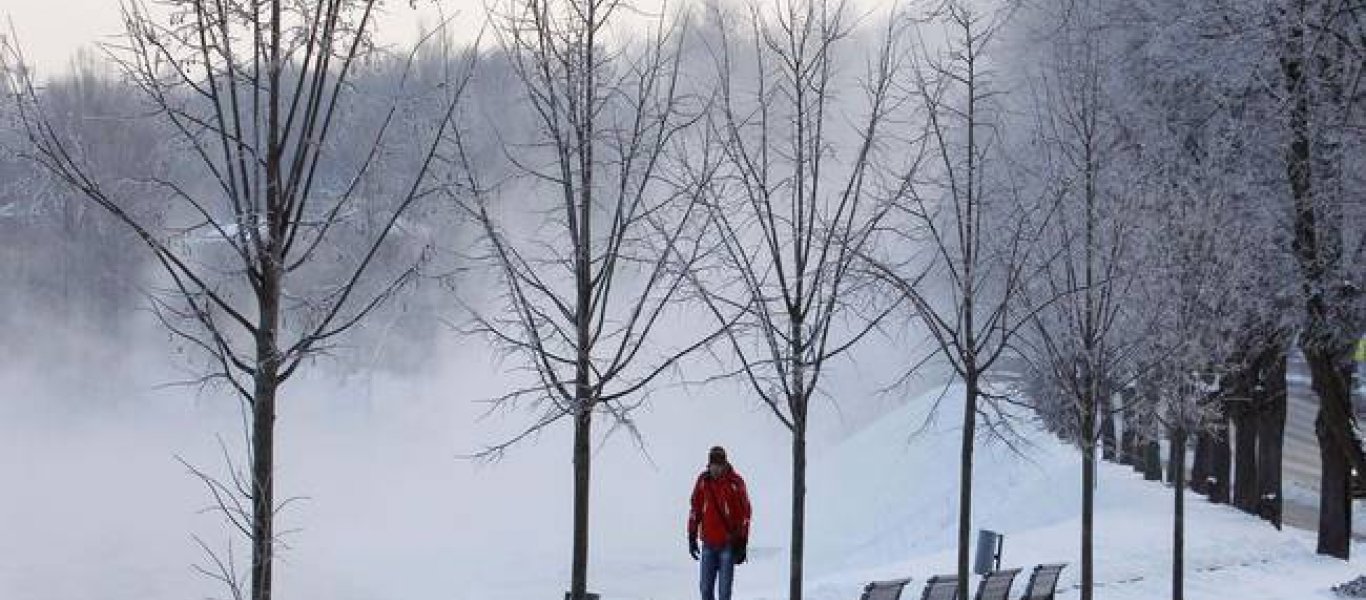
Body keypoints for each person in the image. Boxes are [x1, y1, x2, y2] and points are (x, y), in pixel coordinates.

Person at [687, 446, 751, 600]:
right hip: (708, 543)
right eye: (713, 464)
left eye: (719, 465)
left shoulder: (735, 483)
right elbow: (695, 508)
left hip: (727, 545)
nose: (715, 468)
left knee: (724, 593)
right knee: (705, 590)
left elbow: (745, 513)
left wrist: (742, 541)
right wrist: (692, 535)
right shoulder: (703, 481)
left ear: (725, 464)